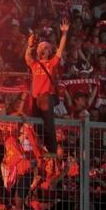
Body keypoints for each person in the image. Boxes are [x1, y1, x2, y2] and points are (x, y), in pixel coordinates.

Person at [24, 19, 69, 155]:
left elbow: (60, 51)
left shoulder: (52, 63)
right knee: (36, 126)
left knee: (49, 126)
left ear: (49, 51)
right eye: (41, 47)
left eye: (46, 48)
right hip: (36, 98)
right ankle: (44, 150)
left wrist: (64, 34)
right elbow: (27, 57)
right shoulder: (35, 64)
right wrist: (30, 45)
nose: (43, 49)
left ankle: (53, 153)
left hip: (46, 97)